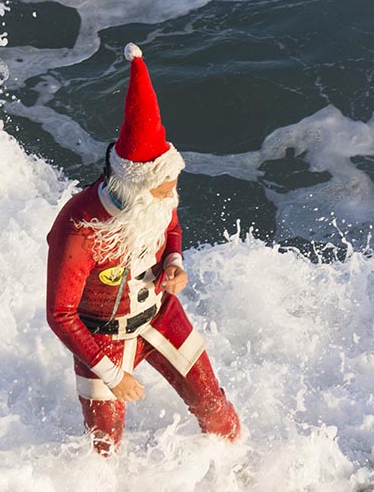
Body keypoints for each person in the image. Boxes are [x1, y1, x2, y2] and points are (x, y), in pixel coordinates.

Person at [46, 42, 241, 455]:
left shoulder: (154, 201)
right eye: (163, 188)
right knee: (105, 448)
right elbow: (60, 315)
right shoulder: (80, 229)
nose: (173, 195)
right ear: (133, 188)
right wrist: (112, 374)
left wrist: (174, 260)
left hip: (160, 316)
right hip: (103, 339)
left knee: (213, 406)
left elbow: (168, 221)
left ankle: (242, 472)